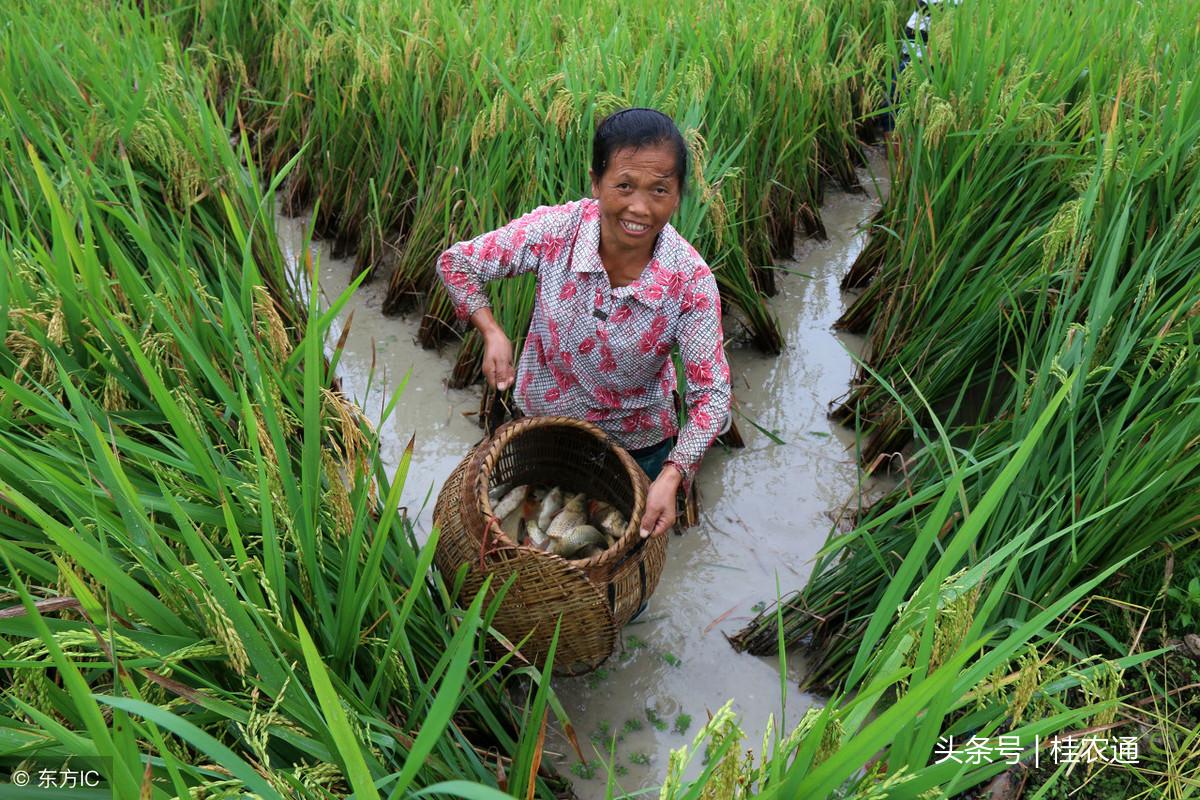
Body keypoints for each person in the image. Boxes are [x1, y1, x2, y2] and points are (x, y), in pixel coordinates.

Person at [437, 107, 731, 539]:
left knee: (620, 559)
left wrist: (673, 474)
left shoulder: (689, 281)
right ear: (596, 181)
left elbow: (712, 397)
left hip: (636, 444)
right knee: (527, 539)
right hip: (545, 425)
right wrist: (491, 331)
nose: (640, 208)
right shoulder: (557, 232)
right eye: (624, 185)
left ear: (679, 193)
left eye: (660, 190)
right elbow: (457, 263)